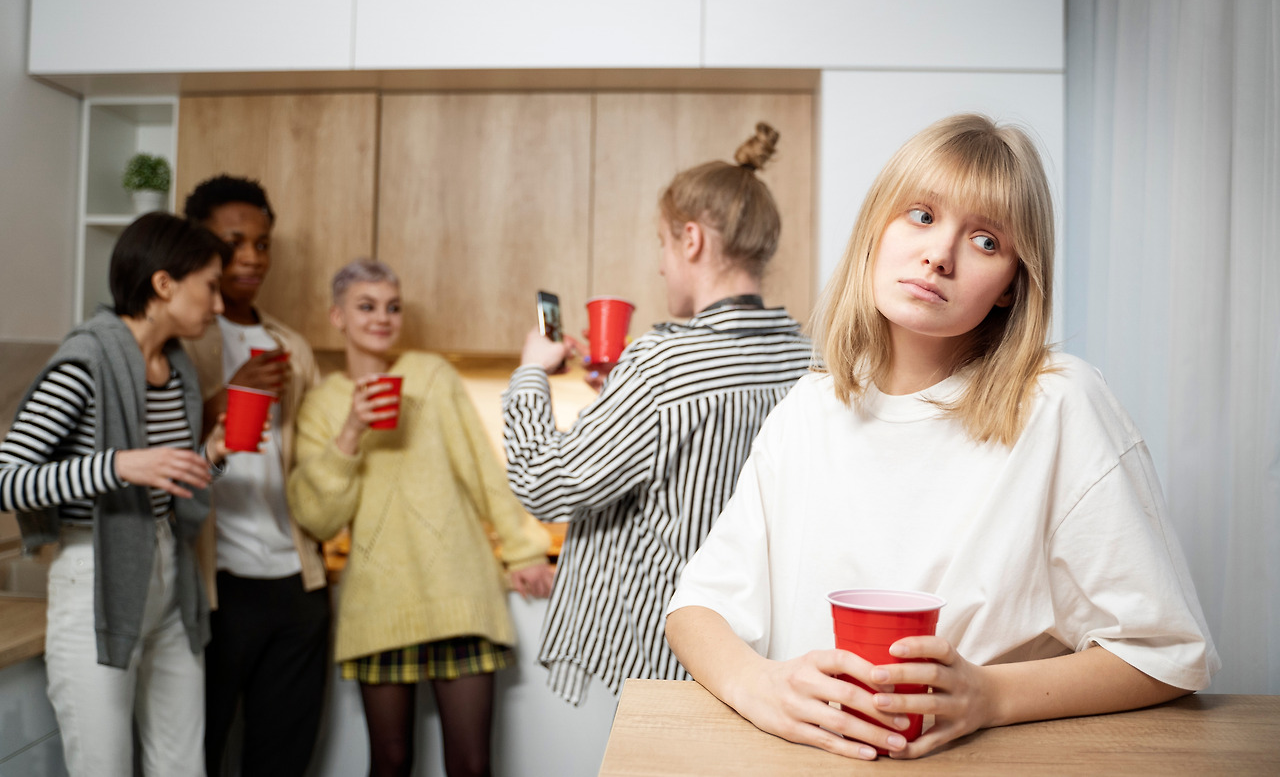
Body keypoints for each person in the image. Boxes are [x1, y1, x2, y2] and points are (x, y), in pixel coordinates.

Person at [664, 113, 1221, 760]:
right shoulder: (810, 408)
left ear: (1013, 284)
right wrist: (757, 684)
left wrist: (991, 695)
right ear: (876, 228)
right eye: (921, 215)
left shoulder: (1060, 405)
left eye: (986, 240)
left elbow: (1166, 654)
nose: (939, 255)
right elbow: (697, 608)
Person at [502, 123, 814, 706]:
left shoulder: (664, 362)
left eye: (662, 245)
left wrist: (530, 374)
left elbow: (545, 483)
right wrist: (621, 399)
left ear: (691, 240)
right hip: (764, 658)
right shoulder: (810, 358)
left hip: (671, 659)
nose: (661, 265)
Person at [287, 258, 555, 777]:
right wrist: (350, 433)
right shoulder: (322, 405)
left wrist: (524, 549)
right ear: (337, 316)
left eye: (392, 307)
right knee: (389, 761)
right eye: (366, 306)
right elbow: (318, 519)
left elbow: (483, 469)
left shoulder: (431, 375)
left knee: (472, 764)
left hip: (460, 591)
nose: (381, 318)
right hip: (378, 602)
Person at [0, 212, 232, 776]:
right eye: (210, 286)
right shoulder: (84, 363)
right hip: (96, 577)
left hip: (170, 574)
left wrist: (211, 457)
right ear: (164, 284)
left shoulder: (175, 368)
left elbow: (164, 483)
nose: (219, 304)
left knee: (183, 767)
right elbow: (7, 480)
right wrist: (120, 464)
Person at [179, 174, 331, 777]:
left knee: (281, 760)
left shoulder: (289, 345)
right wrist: (227, 395)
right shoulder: (184, 341)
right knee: (197, 754)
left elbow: (314, 461)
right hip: (215, 584)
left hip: (296, 581)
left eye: (262, 244)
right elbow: (153, 450)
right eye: (234, 242)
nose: (252, 257)